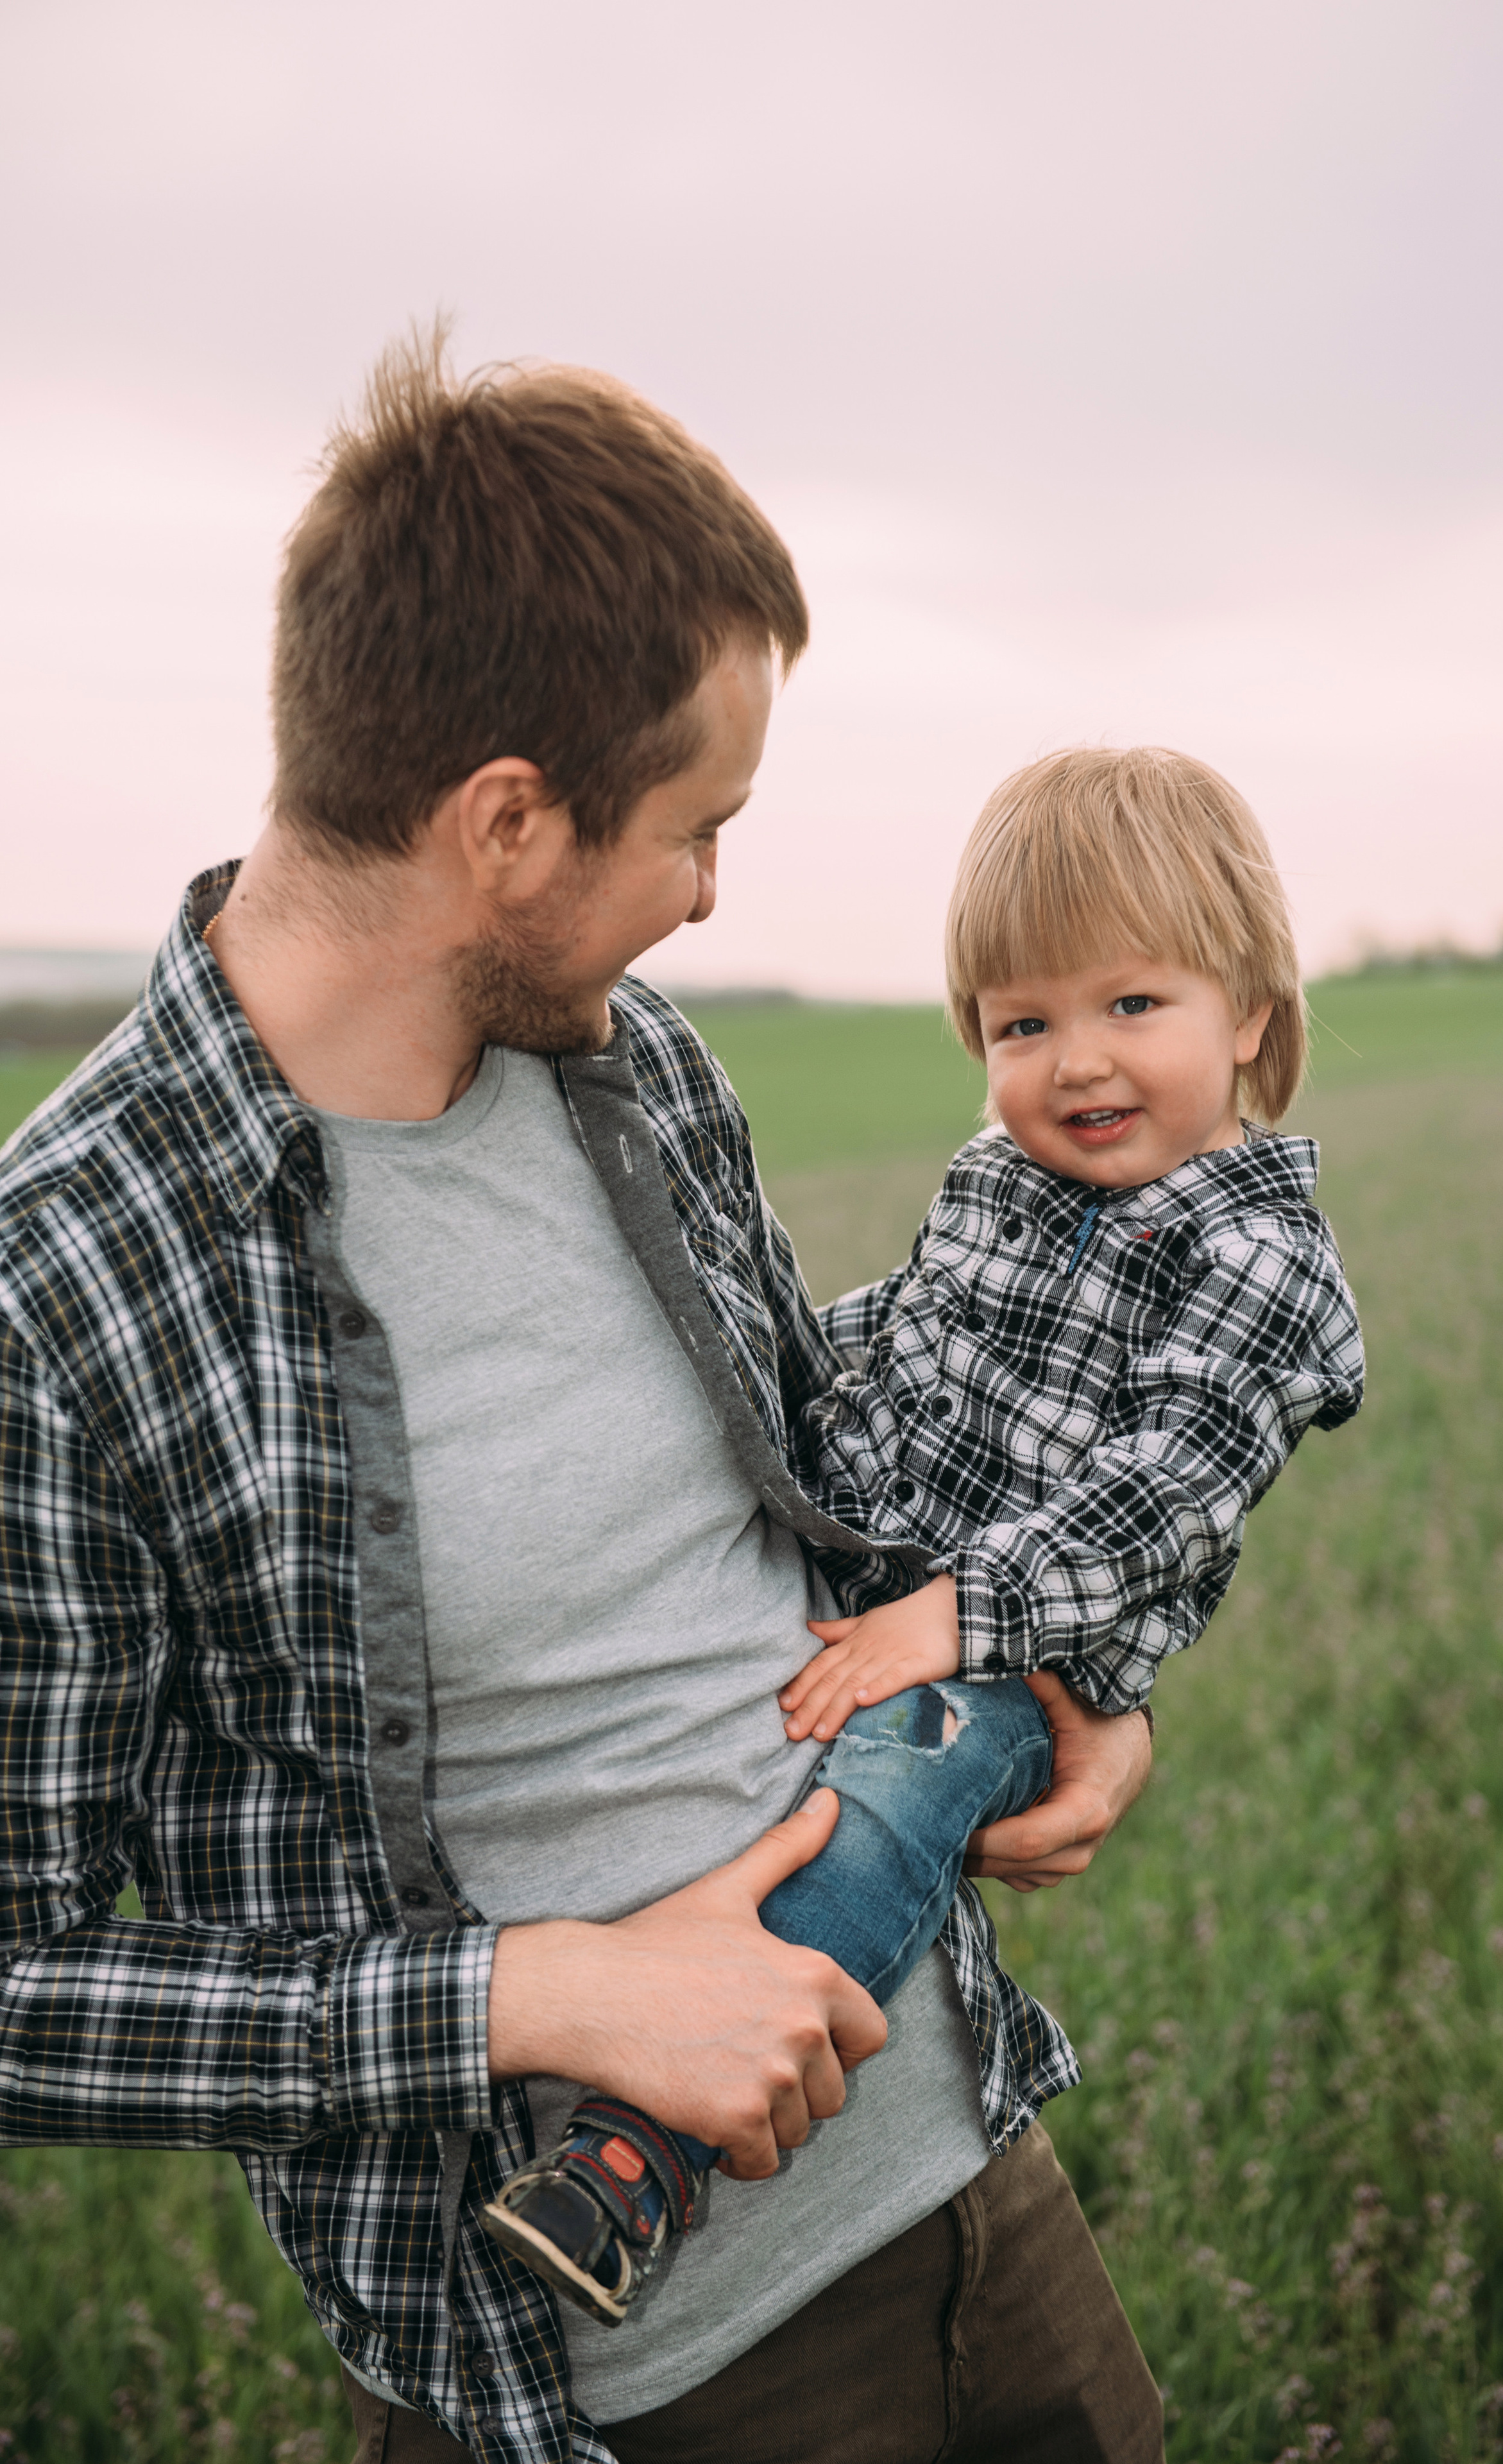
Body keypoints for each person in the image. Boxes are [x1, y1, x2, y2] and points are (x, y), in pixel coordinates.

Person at [0, 334, 1162, 2464]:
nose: (712, 893)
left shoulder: (640, 1074)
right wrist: (538, 1997)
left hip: (984, 2199)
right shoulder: (65, 1285)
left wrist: (1041, 1664)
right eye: (697, 829)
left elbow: (820, 1513)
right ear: (509, 824)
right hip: (618, 2386)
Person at [493, 745, 1365, 2329]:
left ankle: (639, 2157)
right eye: (1021, 1025)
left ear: (1248, 1011)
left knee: (888, 1793)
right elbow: (884, 1339)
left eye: (1131, 1004)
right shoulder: (1000, 1184)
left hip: (1008, 1667)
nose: (1075, 1062)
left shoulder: (1258, 1261)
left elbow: (1160, 1492)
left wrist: (955, 1616)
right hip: (886, 1590)